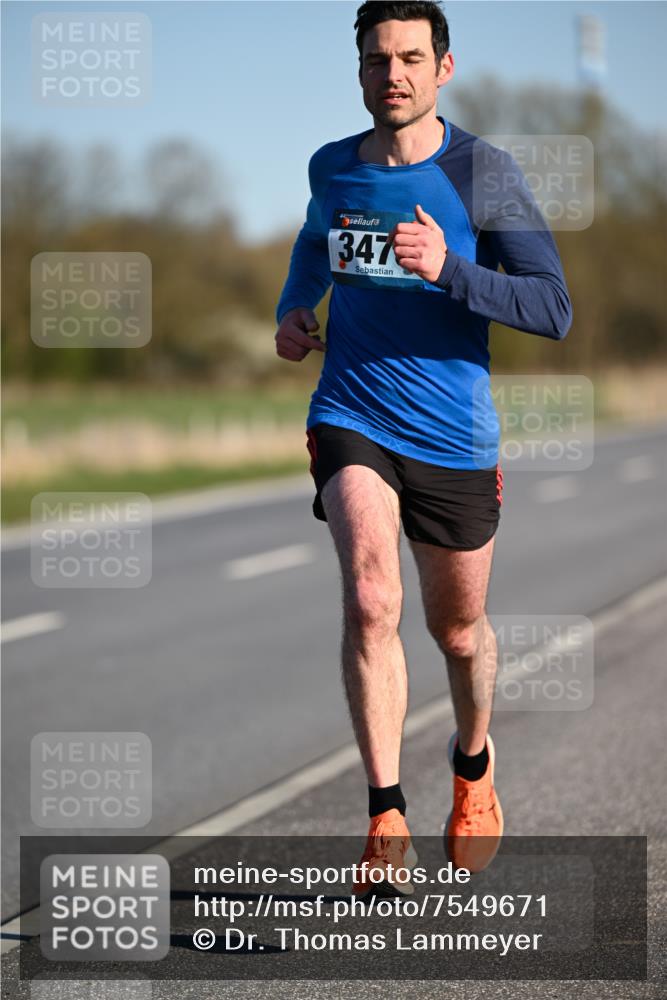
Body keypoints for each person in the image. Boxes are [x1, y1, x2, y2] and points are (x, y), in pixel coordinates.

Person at [275, 0, 571, 897]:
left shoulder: (484, 173)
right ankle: (384, 813)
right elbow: (312, 244)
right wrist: (296, 308)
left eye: (409, 57)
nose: (391, 75)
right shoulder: (333, 166)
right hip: (352, 412)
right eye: (376, 60)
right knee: (370, 598)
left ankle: (472, 765)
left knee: (454, 629)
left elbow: (551, 308)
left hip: (452, 433)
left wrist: (449, 268)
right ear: (359, 70)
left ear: (443, 67)